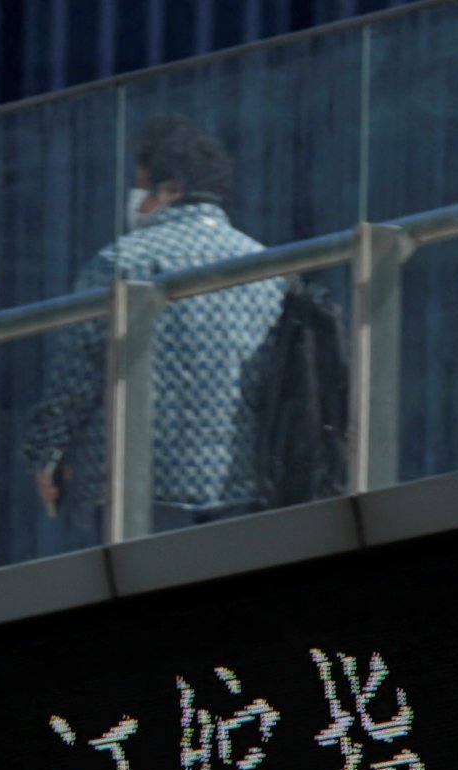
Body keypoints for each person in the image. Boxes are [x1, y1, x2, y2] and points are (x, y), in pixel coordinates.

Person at [24, 115, 281, 536]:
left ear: (171, 191)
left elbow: (77, 373)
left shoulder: (122, 263)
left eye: (141, 185)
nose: (135, 197)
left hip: (135, 491)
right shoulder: (268, 270)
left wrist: (46, 453)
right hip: (239, 488)